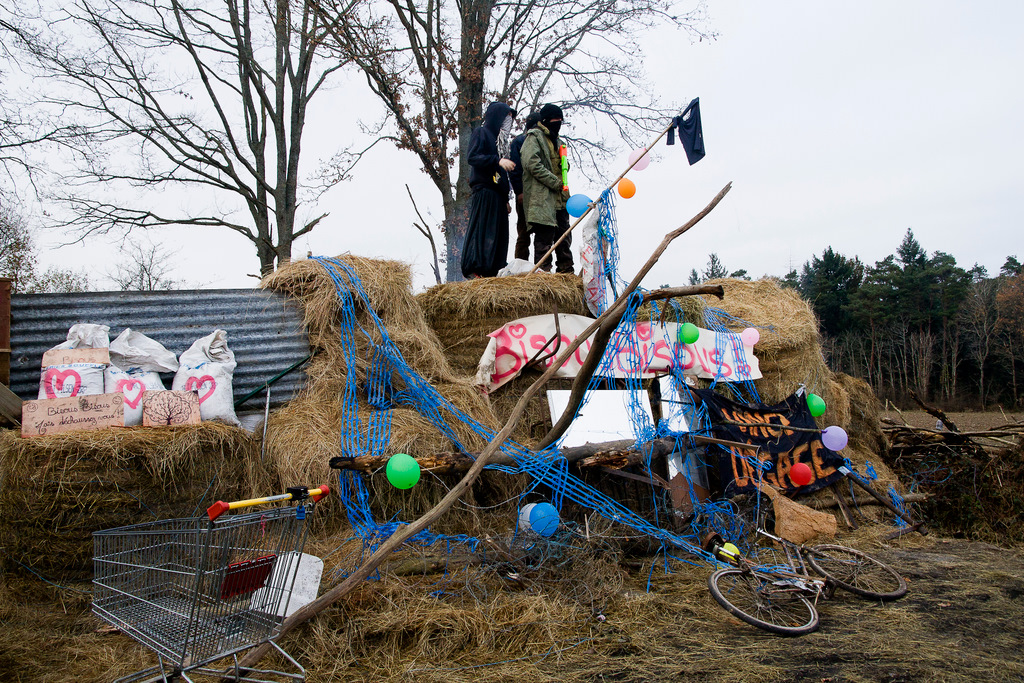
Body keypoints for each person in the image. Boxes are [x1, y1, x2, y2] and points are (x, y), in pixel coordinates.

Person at [461, 101, 516, 279]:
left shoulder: (501, 144)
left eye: (511, 119)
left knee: (499, 235)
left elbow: (502, 174)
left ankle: (494, 272)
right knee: (483, 231)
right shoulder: (481, 133)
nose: (508, 122)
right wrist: (497, 160)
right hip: (484, 190)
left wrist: (506, 198)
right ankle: (476, 269)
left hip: (498, 196)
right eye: (506, 118)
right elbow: (473, 157)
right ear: (497, 117)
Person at [521, 103, 574, 274]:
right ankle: (543, 276)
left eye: (560, 120)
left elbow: (562, 167)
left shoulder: (559, 142)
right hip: (542, 199)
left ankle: (567, 274)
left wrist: (565, 166)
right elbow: (531, 163)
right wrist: (554, 181)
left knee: (564, 238)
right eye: (554, 120)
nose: (558, 123)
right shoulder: (534, 138)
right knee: (544, 240)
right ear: (544, 120)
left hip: (561, 199)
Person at [508, 111, 540, 261]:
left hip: (540, 194)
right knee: (523, 232)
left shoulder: (544, 142)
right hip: (525, 193)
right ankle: (520, 265)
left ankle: (540, 267)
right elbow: (514, 169)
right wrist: (519, 191)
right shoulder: (519, 142)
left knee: (541, 233)